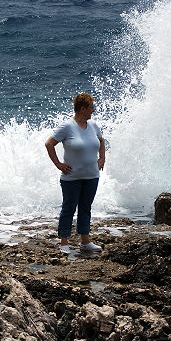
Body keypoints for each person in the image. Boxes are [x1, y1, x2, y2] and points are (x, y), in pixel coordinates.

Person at [45, 92, 105, 253]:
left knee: (85, 208)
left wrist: (102, 158)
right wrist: (58, 164)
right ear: (82, 108)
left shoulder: (93, 125)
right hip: (72, 177)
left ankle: (85, 241)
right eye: (91, 107)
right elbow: (49, 144)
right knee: (69, 208)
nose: (93, 110)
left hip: (92, 176)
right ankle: (64, 242)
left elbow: (101, 141)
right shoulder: (67, 126)